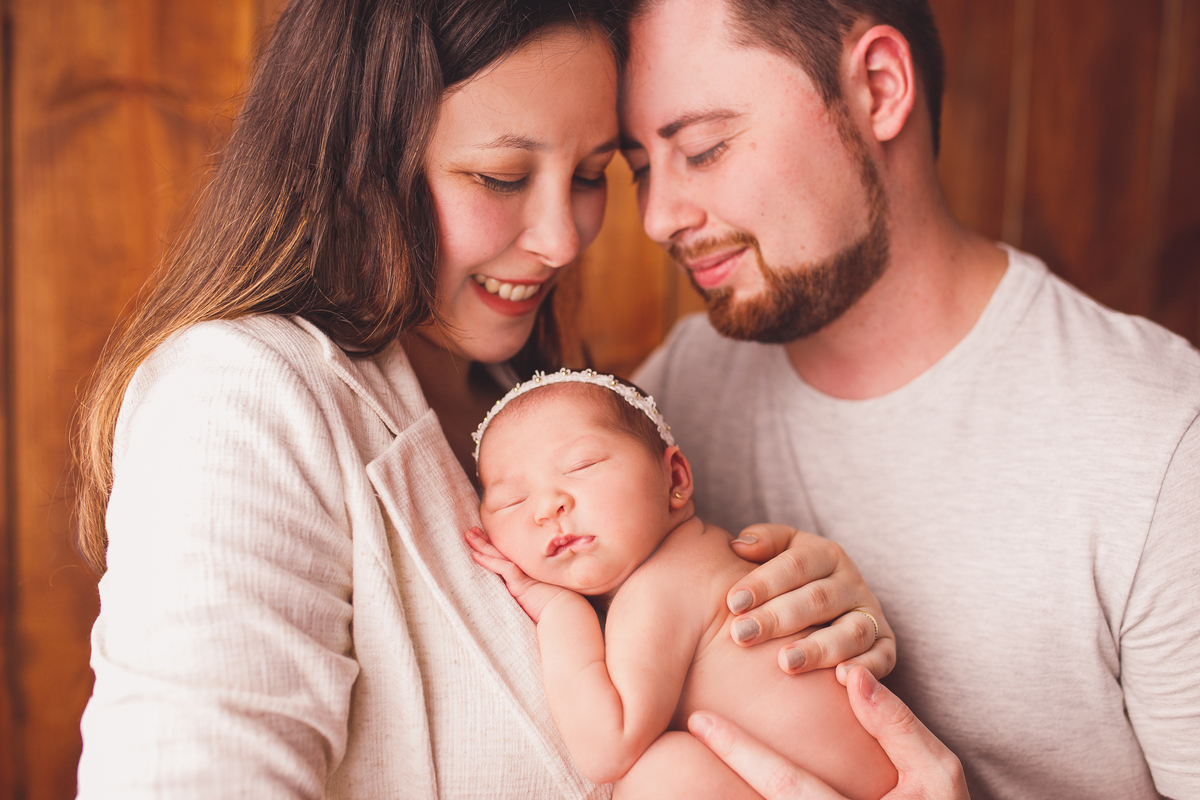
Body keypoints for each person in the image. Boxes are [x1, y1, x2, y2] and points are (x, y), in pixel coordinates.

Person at [71, 1, 897, 797]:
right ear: (358, 167)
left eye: (587, 174)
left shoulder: (539, 404)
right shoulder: (241, 397)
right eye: (501, 176)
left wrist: (806, 641)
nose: (562, 239)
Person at [617, 0, 1200, 798]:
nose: (657, 218)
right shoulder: (674, 395)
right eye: (640, 167)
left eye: (705, 149)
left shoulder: (1161, 442)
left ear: (881, 87)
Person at [465, 369, 898, 800]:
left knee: (663, 771)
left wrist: (560, 612)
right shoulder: (703, 553)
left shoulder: (663, 584)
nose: (547, 506)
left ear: (674, 478)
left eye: (582, 466)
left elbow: (605, 749)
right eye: (511, 501)